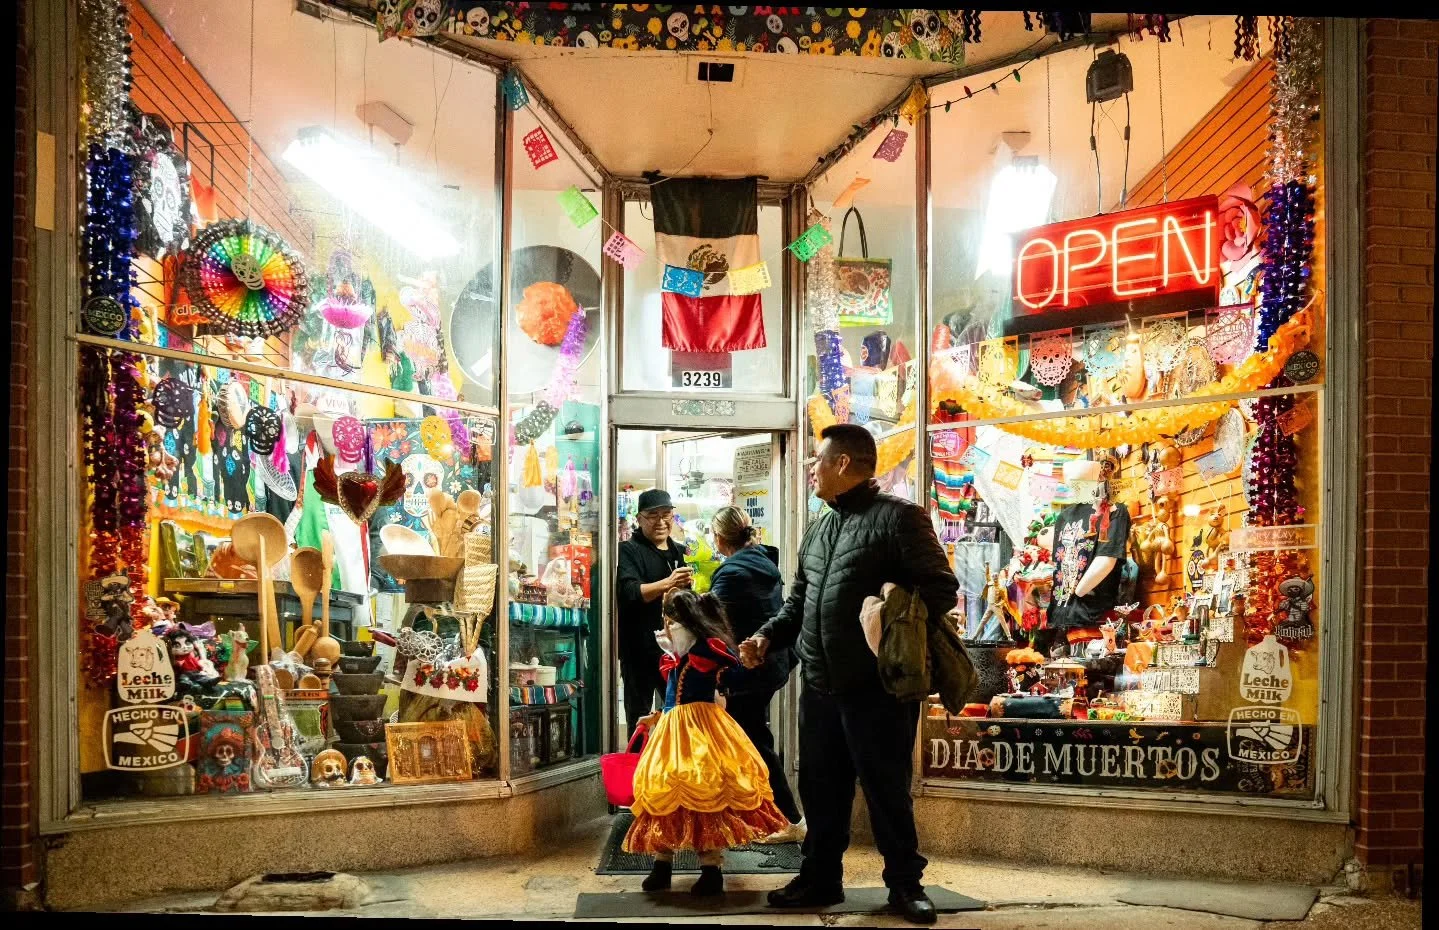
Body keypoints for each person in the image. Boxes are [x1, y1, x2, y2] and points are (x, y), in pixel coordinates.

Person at [740, 424, 958, 926]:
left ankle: (905, 885)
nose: (810, 469)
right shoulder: (819, 526)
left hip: (878, 689)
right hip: (820, 685)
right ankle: (821, 877)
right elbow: (799, 600)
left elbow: (941, 589)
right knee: (821, 788)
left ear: (842, 464)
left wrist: (888, 608)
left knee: (886, 790)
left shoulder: (901, 519)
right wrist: (767, 636)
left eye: (817, 459)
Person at [625, 589, 790, 896]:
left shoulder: (706, 650)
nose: (665, 628)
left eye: (669, 621)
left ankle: (710, 867)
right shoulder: (676, 657)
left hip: (702, 729)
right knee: (664, 790)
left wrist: (738, 668)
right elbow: (674, 695)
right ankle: (662, 865)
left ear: (682, 621)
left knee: (705, 790)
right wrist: (657, 716)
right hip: (673, 728)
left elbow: (735, 671)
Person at [707, 505, 804, 844]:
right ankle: (752, 812)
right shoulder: (763, 561)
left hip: (749, 670)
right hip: (771, 664)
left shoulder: (731, 573)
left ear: (720, 539)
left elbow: (715, 624)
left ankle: (790, 820)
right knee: (749, 737)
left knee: (755, 742)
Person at [616, 489, 693, 738]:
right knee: (639, 719)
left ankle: (669, 771)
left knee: (679, 714)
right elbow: (631, 592)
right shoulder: (628, 550)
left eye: (666, 515)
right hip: (638, 650)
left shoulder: (681, 552)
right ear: (639, 519)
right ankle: (636, 771)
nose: (660, 522)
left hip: (675, 650)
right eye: (652, 516)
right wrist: (668, 583)